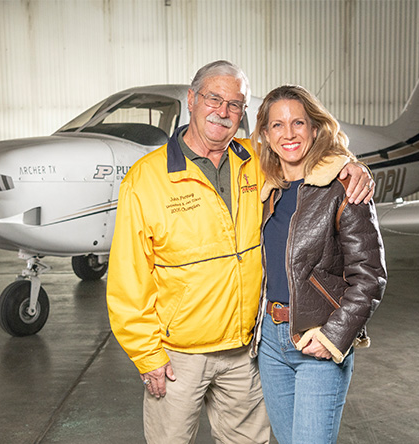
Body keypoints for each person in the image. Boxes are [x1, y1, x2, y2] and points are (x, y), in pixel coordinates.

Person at [106, 61, 375, 444]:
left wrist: (353, 167)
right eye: (214, 98)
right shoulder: (146, 179)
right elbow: (126, 278)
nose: (223, 111)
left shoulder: (255, 163)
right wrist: (147, 355)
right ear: (192, 99)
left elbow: (308, 153)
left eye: (235, 104)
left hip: (246, 353)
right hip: (179, 356)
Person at [249, 85, 387, 444]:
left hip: (317, 339)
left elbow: (370, 277)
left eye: (298, 122)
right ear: (265, 134)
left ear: (314, 128)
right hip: (271, 343)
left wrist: (334, 336)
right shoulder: (266, 189)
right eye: (277, 125)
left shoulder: (344, 187)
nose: (289, 133)